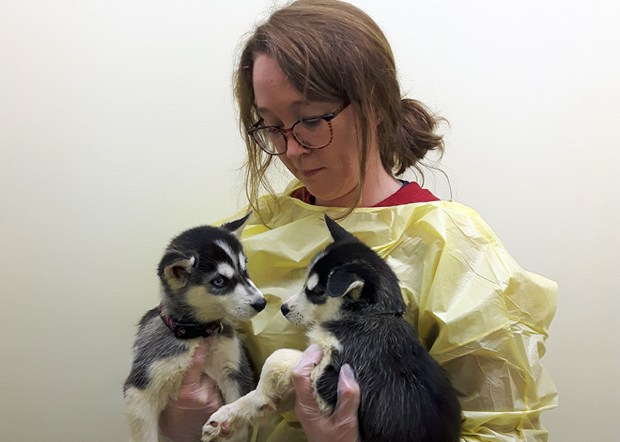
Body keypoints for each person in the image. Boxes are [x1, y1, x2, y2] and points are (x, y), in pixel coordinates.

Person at [158, 1, 558, 441]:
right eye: (271, 127)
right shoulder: (245, 236)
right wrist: (184, 416)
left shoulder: (455, 249)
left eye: (311, 120)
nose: (291, 150)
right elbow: (197, 412)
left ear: (375, 103)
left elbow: (503, 430)